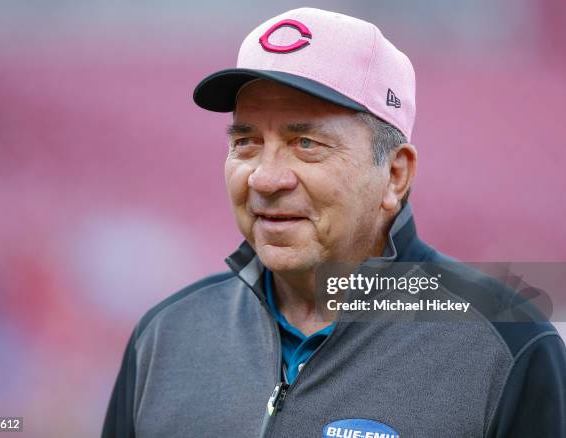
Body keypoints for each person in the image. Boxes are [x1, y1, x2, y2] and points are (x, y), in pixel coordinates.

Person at [102, 8, 566, 438]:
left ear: (395, 175)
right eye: (245, 142)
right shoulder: (165, 336)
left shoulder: (510, 345)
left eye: (306, 142)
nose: (265, 176)